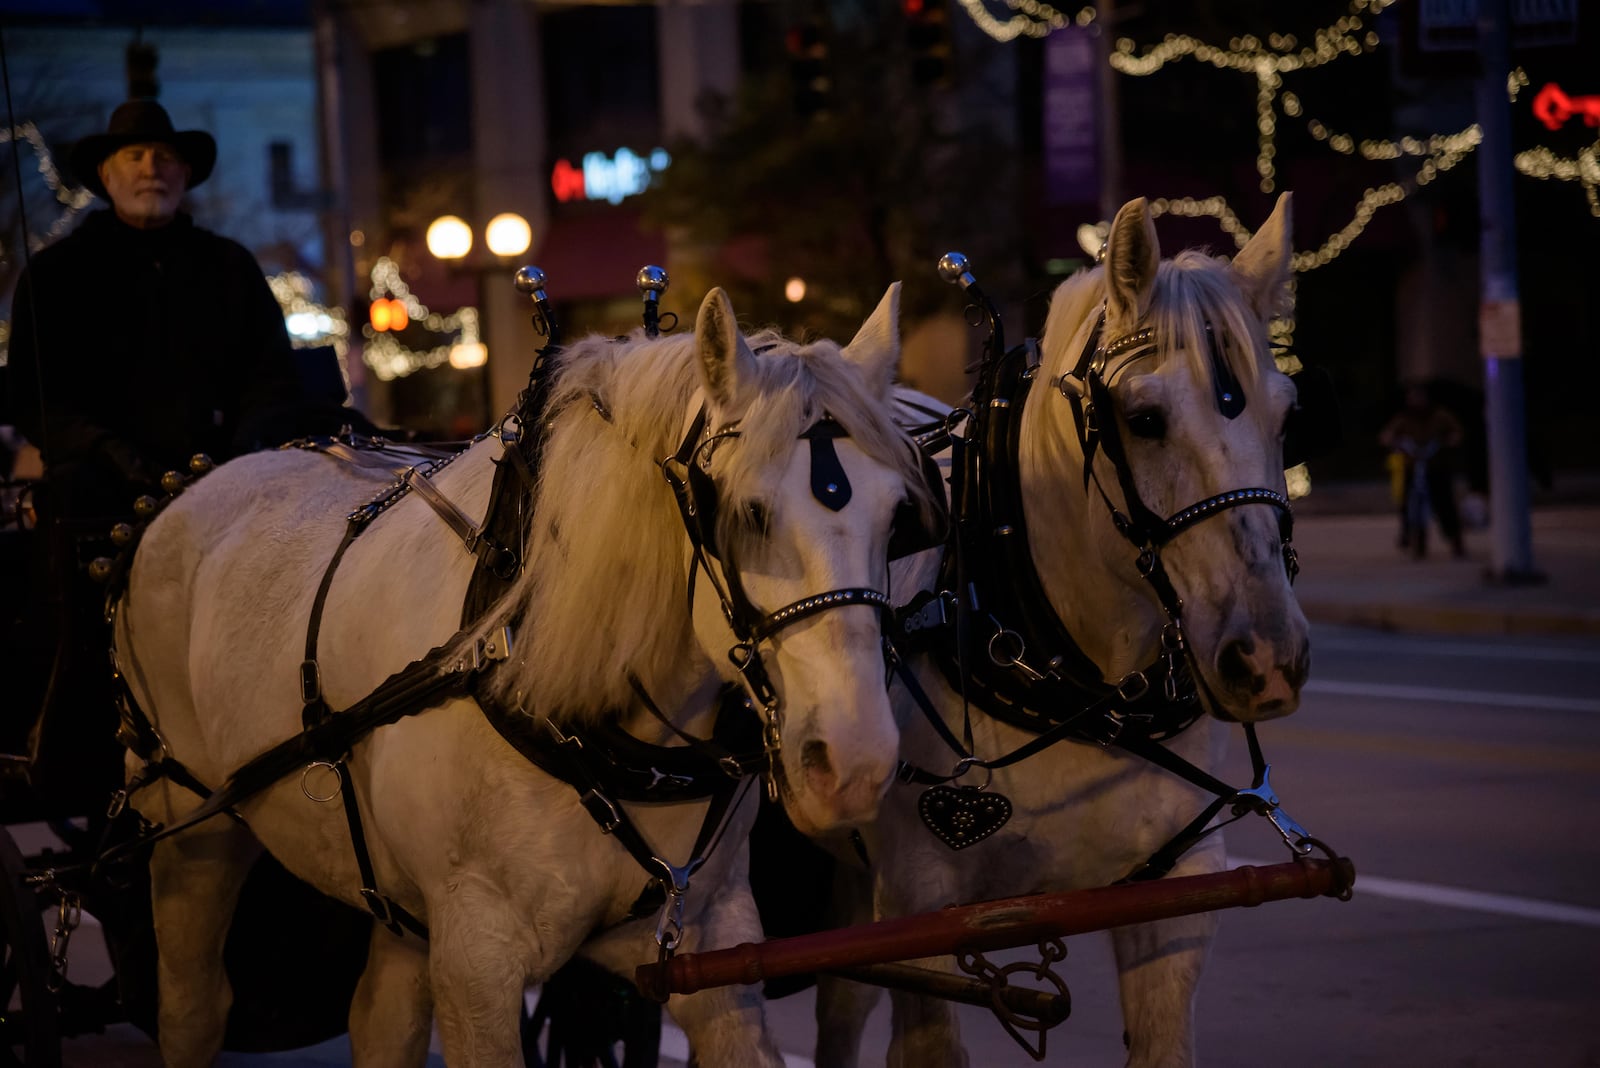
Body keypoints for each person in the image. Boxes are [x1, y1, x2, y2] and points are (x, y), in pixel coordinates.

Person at [2, 99, 359, 810]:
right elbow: (38, 397)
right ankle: (76, 726)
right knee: (75, 521)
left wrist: (243, 453)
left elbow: (270, 373)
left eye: (165, 156)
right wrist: (110, 451)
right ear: (105, 174)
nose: (151, 167)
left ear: (187, 172)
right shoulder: (58, 274)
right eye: (134, 155)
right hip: (107, 482)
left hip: (227, 473)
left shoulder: (227, 267)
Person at [1379, 383, 1466, 559]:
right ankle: (1413, 539)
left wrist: (1450, 440)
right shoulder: (1404, 418)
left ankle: (1455, 540)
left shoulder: (1440, 416)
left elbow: (1456, 432)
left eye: (1419, 397)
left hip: (1437, 468)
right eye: (1412, 397)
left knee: (1445, 505)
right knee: (1409, 504)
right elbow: (1387, 435)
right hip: (1413, 468)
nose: (1416, 401)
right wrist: (1394, 441)